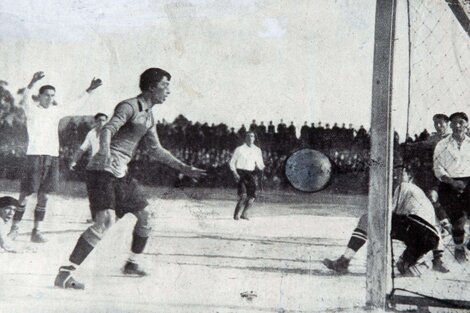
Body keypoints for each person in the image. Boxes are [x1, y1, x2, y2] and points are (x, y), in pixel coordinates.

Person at [54, 68, 206, 290]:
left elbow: (156, 150)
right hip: (102, 170)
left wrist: (185, 168)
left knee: (147, 217)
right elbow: (107, 129)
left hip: (120, 172)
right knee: (105, 221)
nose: (168, 91)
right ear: (152, 87)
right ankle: (65, 274)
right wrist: (105, 152)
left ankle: (132, 264)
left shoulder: (149, 116)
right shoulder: (129, 106)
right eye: (165, 85)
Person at [9, 71, 102, 243]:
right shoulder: (32, 110)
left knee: (45, 195)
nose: (50, 98)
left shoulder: (55, 111)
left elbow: (75, 105)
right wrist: (32, 81)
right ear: (40, 96)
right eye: (47, 95)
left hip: (51, 157)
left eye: (52, 96)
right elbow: (25, 99)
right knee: (26, 194)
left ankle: (37, 231)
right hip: (35, 156)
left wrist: (90, 90)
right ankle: (14, 229)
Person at [323, 166, 445, 275]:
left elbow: (388, 213)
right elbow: (436, 232)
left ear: (410, 177)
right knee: (403, 268)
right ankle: (427, 265)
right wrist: (438, 256)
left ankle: (344, 261)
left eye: (401, 172)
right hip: (428, 239)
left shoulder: (404, 186)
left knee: (368, 219)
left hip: (416, 229)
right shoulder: (422, 199)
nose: (396, 175)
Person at [433, 112, 470, 263]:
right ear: (450, 125)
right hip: (449, 184)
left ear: (467, 125)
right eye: (454, 123)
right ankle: (459, 248)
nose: (457, 126)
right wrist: (452, 182)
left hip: (469, 183)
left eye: (461, 122)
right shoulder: (442, 145)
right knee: (458, 221)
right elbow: (438, 168)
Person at [69, 113, 109, 223]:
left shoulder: (110, 133)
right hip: (93, 166)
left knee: (105, 192)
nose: (101, 123)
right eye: (99, 120)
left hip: (106, 166)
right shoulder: (91, 133)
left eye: (104, 120)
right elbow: (82, 148)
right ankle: (95, 217)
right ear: (95, 122)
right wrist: (74, 161)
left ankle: (106, 218)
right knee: (92, 193)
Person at [229, 131, 265, 220]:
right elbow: (232, 163)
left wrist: (261, 167)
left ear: (254, 138)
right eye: (248, 136)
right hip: (241, 173)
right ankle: (236, 214)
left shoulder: (257, 150)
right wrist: (235, 173)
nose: (250, 138)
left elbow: (260, 164)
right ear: (245, 138)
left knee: (252, 197)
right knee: (243, 196)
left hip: (252, 174)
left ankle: (244, 214)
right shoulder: (239, 149)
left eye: (252, 136)